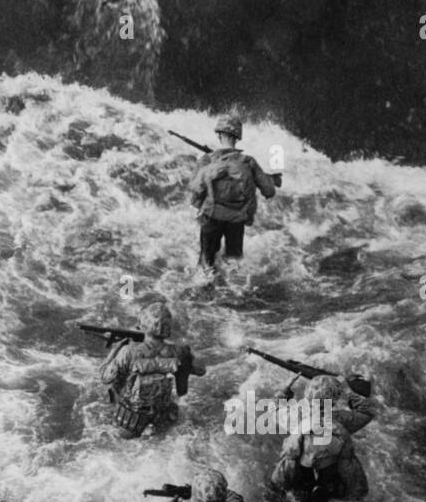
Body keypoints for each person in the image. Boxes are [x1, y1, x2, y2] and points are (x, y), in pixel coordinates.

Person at [80, 301, 204, 439]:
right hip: (162, 414)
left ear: (142, 325)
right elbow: (200, 371)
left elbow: (105, 377)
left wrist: (115, 350)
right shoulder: (176, 352)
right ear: (168, 330)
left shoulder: (128, 351)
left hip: (132, 417)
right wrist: (186, 353)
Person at [188, 114, 278, 272]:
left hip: (211, 217)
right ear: (237, 137)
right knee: (234, 265)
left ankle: (204, 292)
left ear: (219, 135)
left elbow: (194, 189)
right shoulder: (248, 162)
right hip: (236, 220)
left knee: (205, 264)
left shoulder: (207, 160)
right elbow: (269, 191)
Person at [269, 375, 371, 502]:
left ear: (307, 395)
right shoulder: (343, 419)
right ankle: (327, 492)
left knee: (295, 491)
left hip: (300, 469)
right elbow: (367, 412)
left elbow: (274, 407)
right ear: (335, 399)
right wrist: (349, 392)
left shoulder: (295, 417)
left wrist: (286, 388)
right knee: (336, 489)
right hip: (330, 471)